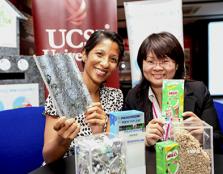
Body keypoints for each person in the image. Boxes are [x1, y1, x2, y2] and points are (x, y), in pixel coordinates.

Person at [124, 31, 223, 172]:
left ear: (177, 65)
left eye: (165, 61)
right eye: (150, 61)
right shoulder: (133, 96)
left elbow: (219, 140)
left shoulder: (198, 91)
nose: (157, 68)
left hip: (189, 166)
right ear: (141, 65)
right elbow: (126, 142)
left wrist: (203, 135)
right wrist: (142, 138)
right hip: (153, 167)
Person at [43, 30, 124, 164]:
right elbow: (48, 158)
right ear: (84, 54)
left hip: (97, 166)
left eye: (113, 59)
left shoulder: (115, 96)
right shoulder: (61, 94)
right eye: (99, 54)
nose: (105, 63)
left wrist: (98, 134)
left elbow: (111, 154)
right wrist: (63, 141)